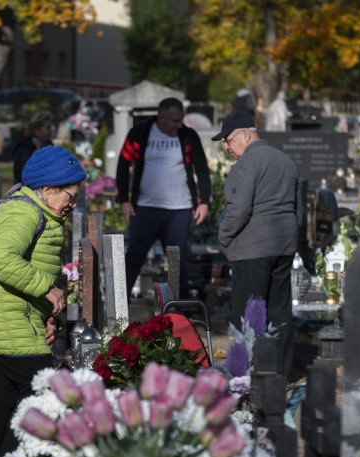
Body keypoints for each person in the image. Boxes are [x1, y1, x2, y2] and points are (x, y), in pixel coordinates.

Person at [0, 145, 85, 457]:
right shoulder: (25, 212)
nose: (73, 203)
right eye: (69, 196)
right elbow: (3, 260)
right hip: (3, 318)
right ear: (47, 190)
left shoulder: (36, 210)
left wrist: (44, 315)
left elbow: (25, 270)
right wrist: (48, 289)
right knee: (45, 397)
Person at [212, 111, 302, 377]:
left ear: (246, 135)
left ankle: (248, 376)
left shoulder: (246, 165)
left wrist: (224, 238)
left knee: (249, 316)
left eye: (228, 141)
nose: (226, 147)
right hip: (284, 246)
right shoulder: (285, 161)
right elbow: (298, 208)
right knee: (280, 312)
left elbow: (238, 211)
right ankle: (279, 374)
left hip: (252, 249)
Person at [116, 97, 211, 297]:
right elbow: (123, 166)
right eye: (174, 121)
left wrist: (205, 202)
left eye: (181, 120)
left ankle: (178, 311)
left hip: (179, 210)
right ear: (160, 117)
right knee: (134, 257)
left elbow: (202, 170)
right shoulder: (139, 134)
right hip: (145, 209)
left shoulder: (188, 136)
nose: (179, 125)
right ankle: (117, 309)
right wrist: (124, 201)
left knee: (176, 262)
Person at [12, 110, 54, 185]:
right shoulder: (24, 149)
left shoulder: (50, 146)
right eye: (48, 128)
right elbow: (24, 175)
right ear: (37, 131)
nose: (51, 131)